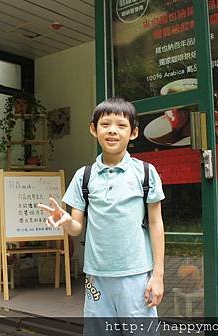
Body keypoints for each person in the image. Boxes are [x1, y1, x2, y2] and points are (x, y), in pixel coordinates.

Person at [37, 97, 165, 331]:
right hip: (97, 277)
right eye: (105, 124)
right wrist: (66, 222)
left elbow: (156, 224)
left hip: (136, 276)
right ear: (93, 129)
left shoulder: (146, 173)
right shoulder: (83, 176)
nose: (112, 131)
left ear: (134, 133)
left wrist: (158, 276)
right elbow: (77, 226)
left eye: (121, 125)